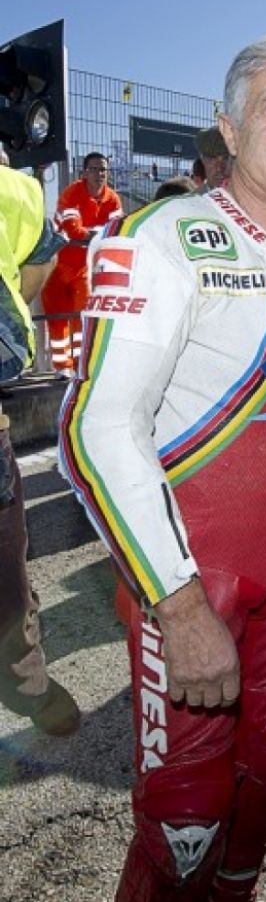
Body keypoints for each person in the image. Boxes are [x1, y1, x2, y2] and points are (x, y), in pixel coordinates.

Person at [59, 33, 266, 902]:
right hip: (192, 583)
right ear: (226, 126)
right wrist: (178, 607)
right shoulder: (164, 235)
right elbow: (93, 430)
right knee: (184, 815)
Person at [0, 165, 80, 736]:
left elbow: (43, 258)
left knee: (6, 572)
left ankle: (25, 683)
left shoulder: (15, 190)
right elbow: (41, 264)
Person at [40, 153, 123, 377]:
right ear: (84, 173)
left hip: (84, 268)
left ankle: (80, 365)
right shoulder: (71, 194)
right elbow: (71, 229)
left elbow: (117, 231)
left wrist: (90, 235)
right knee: (57, 318)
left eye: (103, 170)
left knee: (81, 318)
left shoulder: (112, 199)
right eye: (95, 169)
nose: (100, 174)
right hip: (56, 265)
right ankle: (62, 367)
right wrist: (98, 234)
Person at [195, 125, 230, 191]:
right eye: (212, 159)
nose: (219, 168)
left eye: (226, 159)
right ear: (202, 159)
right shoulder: (189, 200)